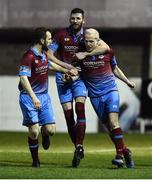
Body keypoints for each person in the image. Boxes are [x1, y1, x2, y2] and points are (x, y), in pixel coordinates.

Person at [48, 8, 110, 168]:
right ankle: (78, 147)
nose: (75, 21)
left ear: (83, 20)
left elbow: (105, 48)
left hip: (79, 78)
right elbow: (49, 54)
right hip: (63, 78)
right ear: (70, 19)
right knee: (69, 117)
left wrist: (86, 55)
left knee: (80, 108)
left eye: (78, 18)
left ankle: (79, 146)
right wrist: (65, 66)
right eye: (72, 18)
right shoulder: (61, 34)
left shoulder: (88, 35)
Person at [18, 27, 78, 168]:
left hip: (44, 97)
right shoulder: (28, 56)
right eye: (49, 38)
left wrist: (67, 69)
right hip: (29, 97)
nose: (51, 41)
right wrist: (34, 98)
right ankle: (35, 161)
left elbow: (49, 64)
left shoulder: (44, 54)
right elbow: (23, 79)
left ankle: (44, 135)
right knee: (33, 131)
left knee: (50, 130)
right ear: (41, 40)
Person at [76, 28, 135, 168]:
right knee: (110, 129)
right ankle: (125, 151)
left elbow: (115, 68)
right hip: (95, 96)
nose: (89, 44)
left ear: (98, 40)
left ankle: (119, 156)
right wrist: (70, 74)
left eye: (92, 41)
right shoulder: (79, 54)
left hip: (110, 92)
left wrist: (127, 81)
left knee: (114, 123)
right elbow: (76, 71)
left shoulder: (108, 52)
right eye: (87, 41)